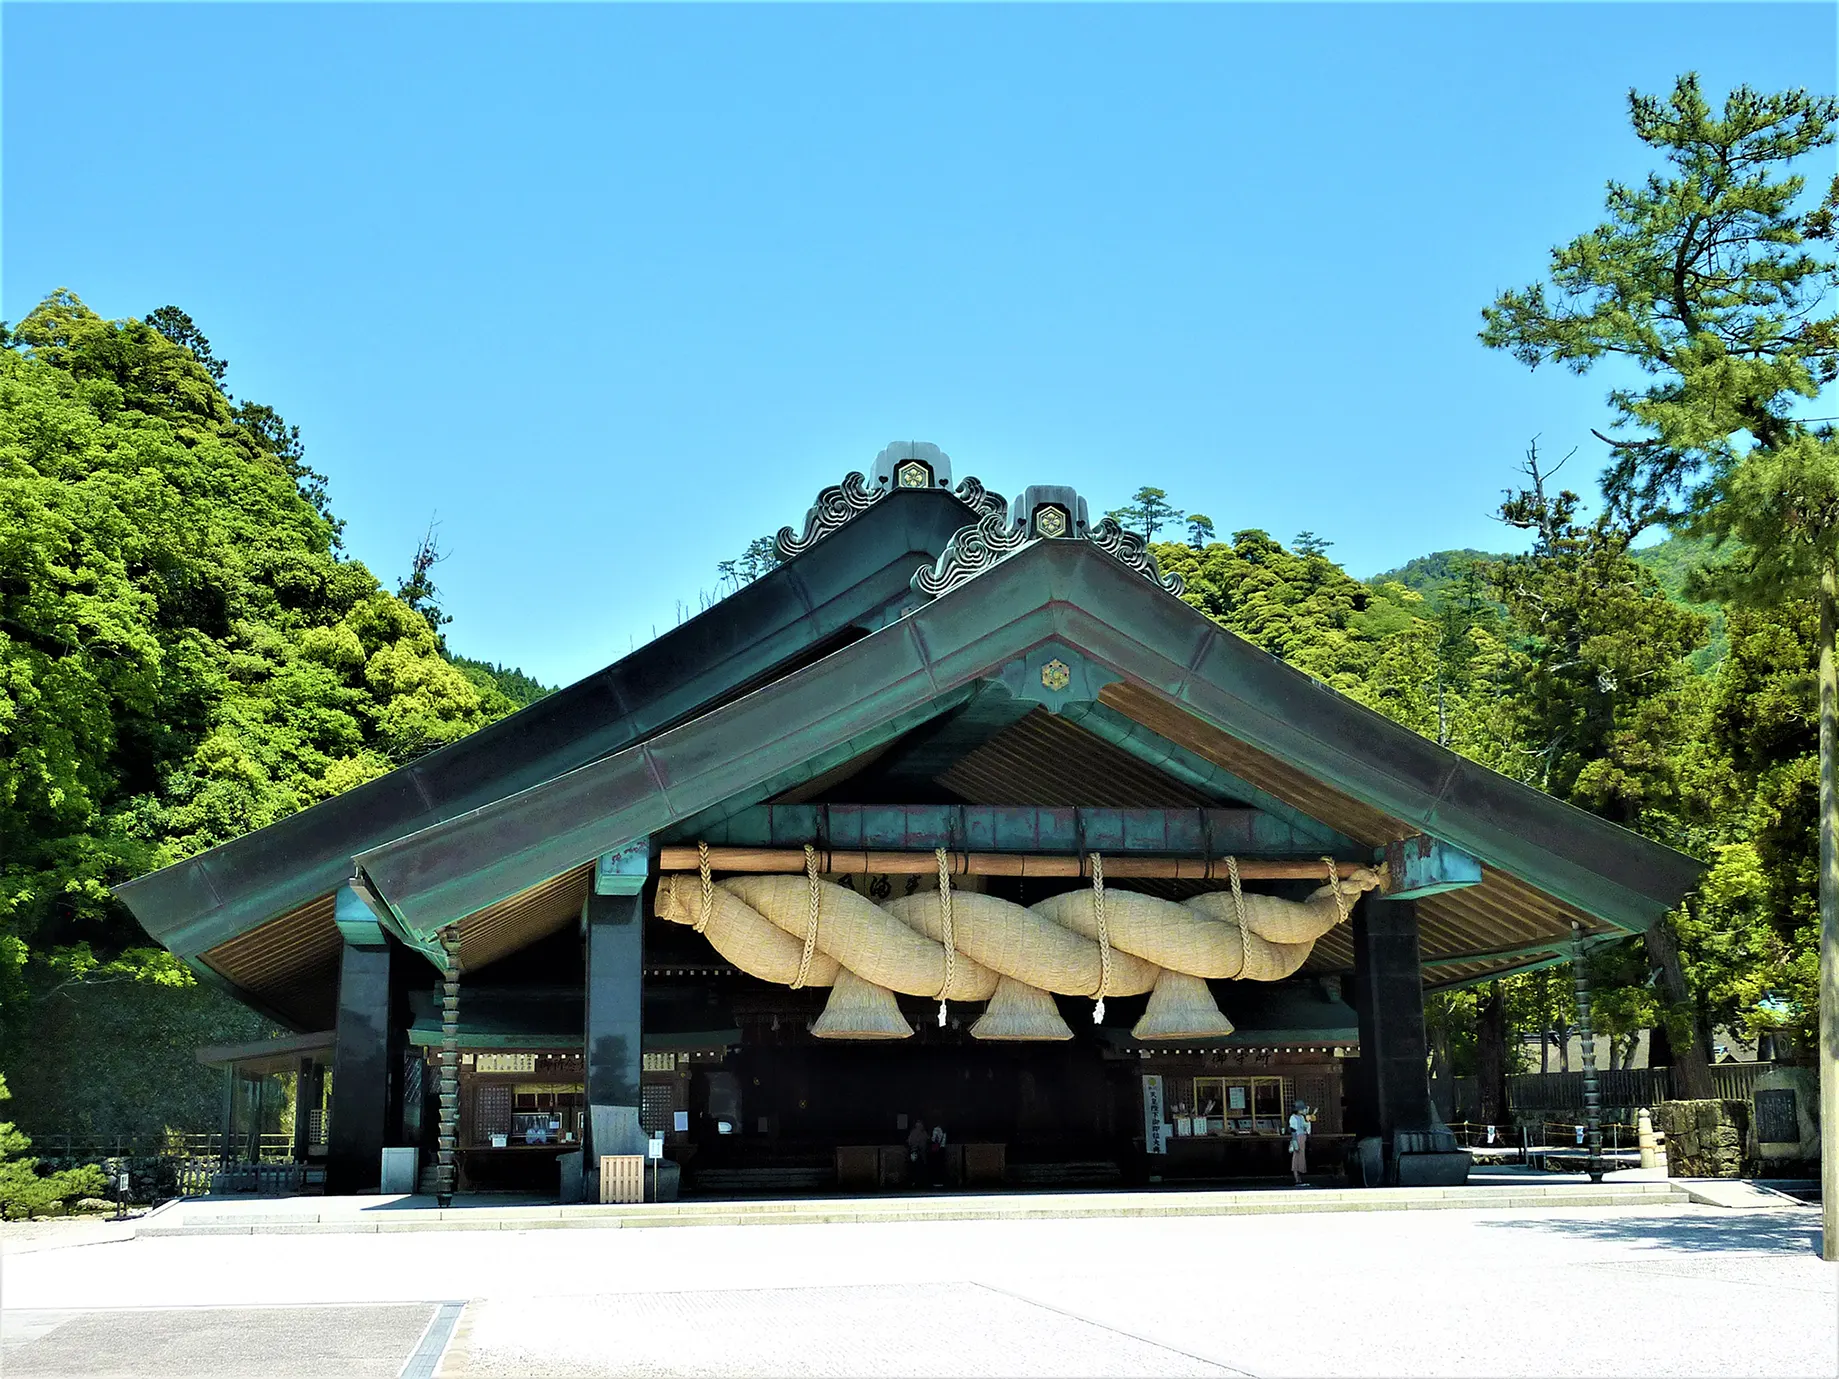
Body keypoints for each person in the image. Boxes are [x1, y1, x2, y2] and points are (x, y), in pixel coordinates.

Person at [1288, 1099, 1313, 1186]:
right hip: (1297, 1138)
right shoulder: (1293, 1118)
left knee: (1301, 1157)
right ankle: (1296, 1178)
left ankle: (1299, 1178)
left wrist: (1308, 1120)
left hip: (1302, 1138)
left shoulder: (1302, 1117)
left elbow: (1306, 1128)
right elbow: (1293, 1131)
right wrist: (1294, 1143)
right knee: (1296, 1157)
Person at [905, 1116, 928, 1186]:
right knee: (920, 1168)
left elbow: (909, 1142)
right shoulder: (923, 1133)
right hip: (921, 1154)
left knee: (913, 1168)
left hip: (913, 1153)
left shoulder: (913, 1132)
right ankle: (920, 1182)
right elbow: (926, 1141)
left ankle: (914, 1182)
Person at [927, 1120, 948, 1188]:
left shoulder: (936, 1129)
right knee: (941, 1165)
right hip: (942, 1148)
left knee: (936, 1165)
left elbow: (934, 1139)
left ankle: (935, 1181)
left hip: (936, 1150)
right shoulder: (944, 1131)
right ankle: (942, 1181)